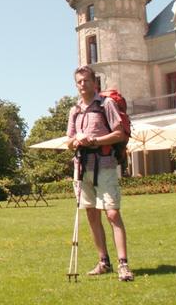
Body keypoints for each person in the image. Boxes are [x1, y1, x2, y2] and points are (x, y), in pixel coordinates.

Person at [66, 66, 134, 282]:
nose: (82, 85)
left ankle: (123, 264)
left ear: (95, 83)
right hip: (82, 167)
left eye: (86, 80)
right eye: (79, 81)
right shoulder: (75, 110)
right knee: (92, 214)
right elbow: (68, 141)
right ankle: (103, 261)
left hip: (104, 165)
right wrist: (77, 141)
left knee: (112, 213)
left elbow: (119, 133)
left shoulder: (106, 104)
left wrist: (94, 140)